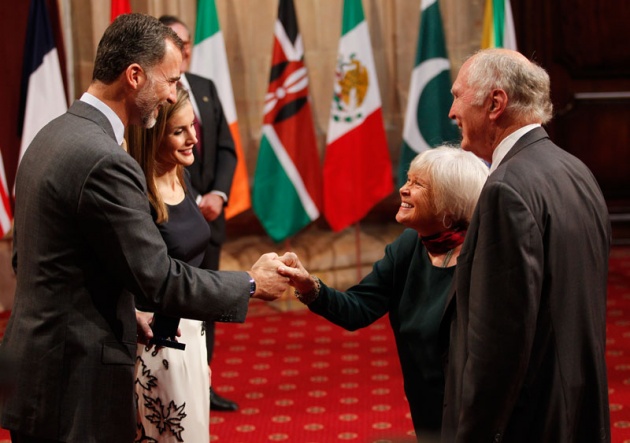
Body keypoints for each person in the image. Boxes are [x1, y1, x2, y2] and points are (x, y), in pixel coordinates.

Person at [1, 14, 289, 443]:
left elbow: (31, 259)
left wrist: (123, 311)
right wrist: (249, 283)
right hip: (76, 382)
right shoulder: (106, 159)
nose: (174, 93)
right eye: (171, 81)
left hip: (37, 370)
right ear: (134, 76)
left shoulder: (51, 135)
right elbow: (158, 278)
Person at [441, 48, 611, 442]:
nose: (451, 111)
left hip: (530, 423)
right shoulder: (575, 170)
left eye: (457, 95)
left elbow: (499, 343)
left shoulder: (505, 189)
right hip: (577, 409)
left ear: (495, 103)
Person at [277, 146, 489, 441]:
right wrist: (308, 286)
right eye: (408, 179)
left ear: (449, 207)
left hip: (475, 408)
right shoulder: (409, 246)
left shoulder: (484, 259)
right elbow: (357, 309)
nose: (403, 189)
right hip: (424, 401)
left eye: (418, 184)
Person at [159, 15, 239, 412]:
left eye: (188, 43)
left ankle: (202, 381)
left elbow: (226, 147)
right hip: (174, 219)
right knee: (179, 299)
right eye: (177, 42)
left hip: (211, 217)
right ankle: (176, 385)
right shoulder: (159, 97)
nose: (186, 50)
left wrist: (219, 195)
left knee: (207, 304)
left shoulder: (205, 88)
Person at [127, 85, 212, 442]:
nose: (193, 137)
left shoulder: (183, 176)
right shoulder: (135, 194)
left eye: (192, 126)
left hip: (194, 334)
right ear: (153, 137)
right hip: (157, 343)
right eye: (179, 131)